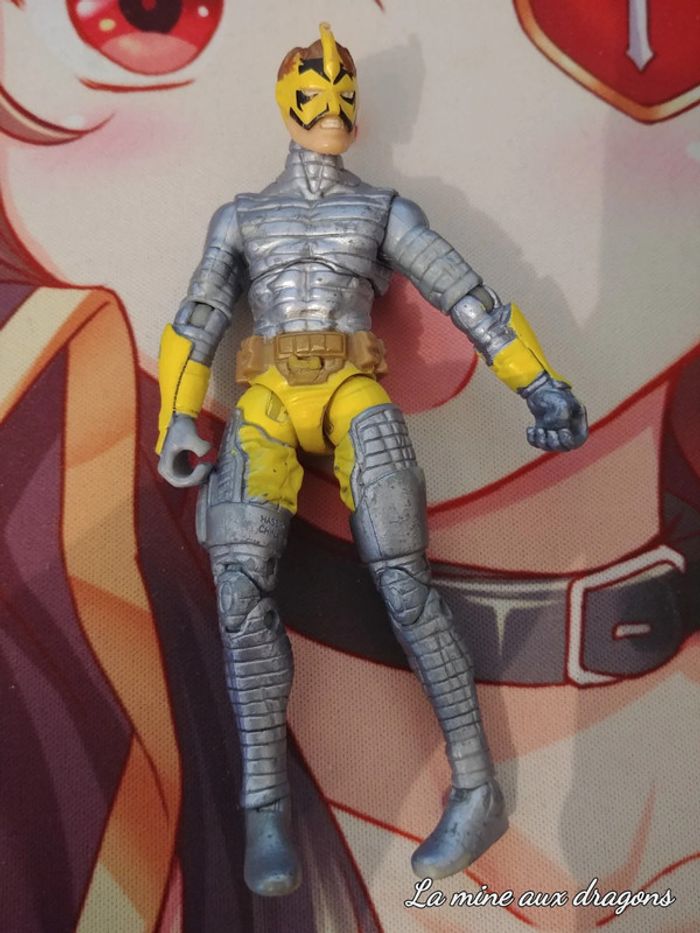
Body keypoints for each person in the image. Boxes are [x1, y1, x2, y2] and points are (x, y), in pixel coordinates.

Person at [155, 23, 588, 897]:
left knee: (405, 584)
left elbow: (467, 296)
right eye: (316, 92)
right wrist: (174, 419)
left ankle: (477, 787)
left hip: (353, 393)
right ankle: (265, 805)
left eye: (341, 92)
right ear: (290, 103)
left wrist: (541, 386)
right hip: (268, 401)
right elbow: (199, 316)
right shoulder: (244, 217)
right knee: (239, 590)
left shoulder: (382, 212)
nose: (332, 106)